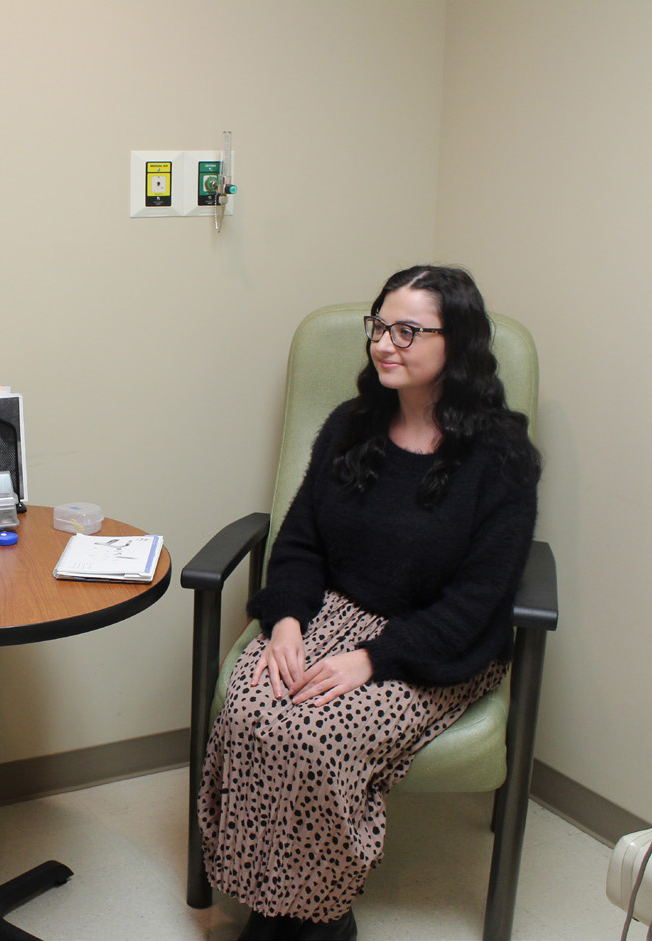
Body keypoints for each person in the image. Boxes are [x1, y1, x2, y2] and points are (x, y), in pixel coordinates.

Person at [197, 266, 541, 940]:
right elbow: (297, 541)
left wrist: (371, 659)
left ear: (457, 342)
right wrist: (288, 621)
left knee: (319, 732)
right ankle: (270, 900)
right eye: (379, 327)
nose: (385, 343)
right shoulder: (350, 427)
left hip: (435, 644)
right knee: (250, 703)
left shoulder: (498, 457)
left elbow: (478, 599)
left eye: (407, 330)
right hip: (332, 612)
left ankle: (322, 917)